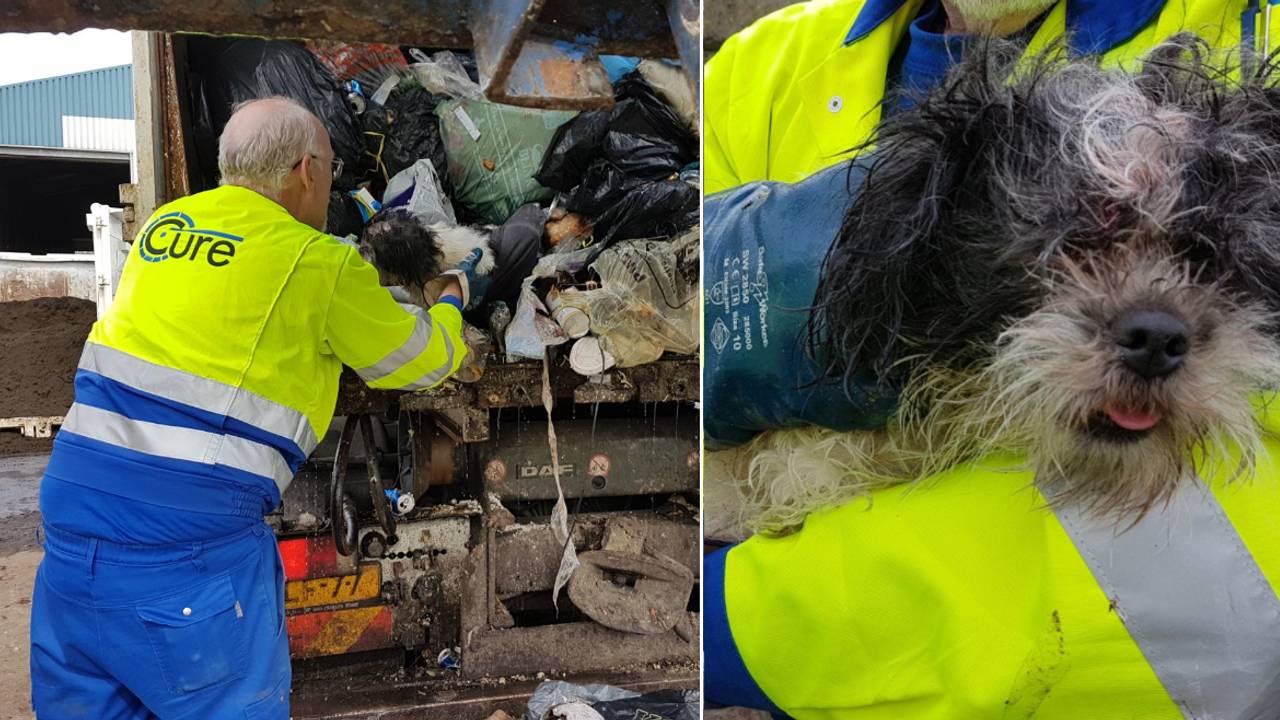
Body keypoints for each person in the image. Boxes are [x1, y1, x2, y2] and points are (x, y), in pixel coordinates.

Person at [704, 1, 1280, 716]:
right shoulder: (759, 64)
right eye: (1067, 254)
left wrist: (742, 620)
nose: (1154, 330)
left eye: (1207, 264)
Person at [28, 96, 479, 719]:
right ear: (306, 169)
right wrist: (451, 301)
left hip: (71, 533)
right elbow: (422, 359)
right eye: (331, 169)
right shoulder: (317, 261)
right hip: (186, 554)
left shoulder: (166, 225)